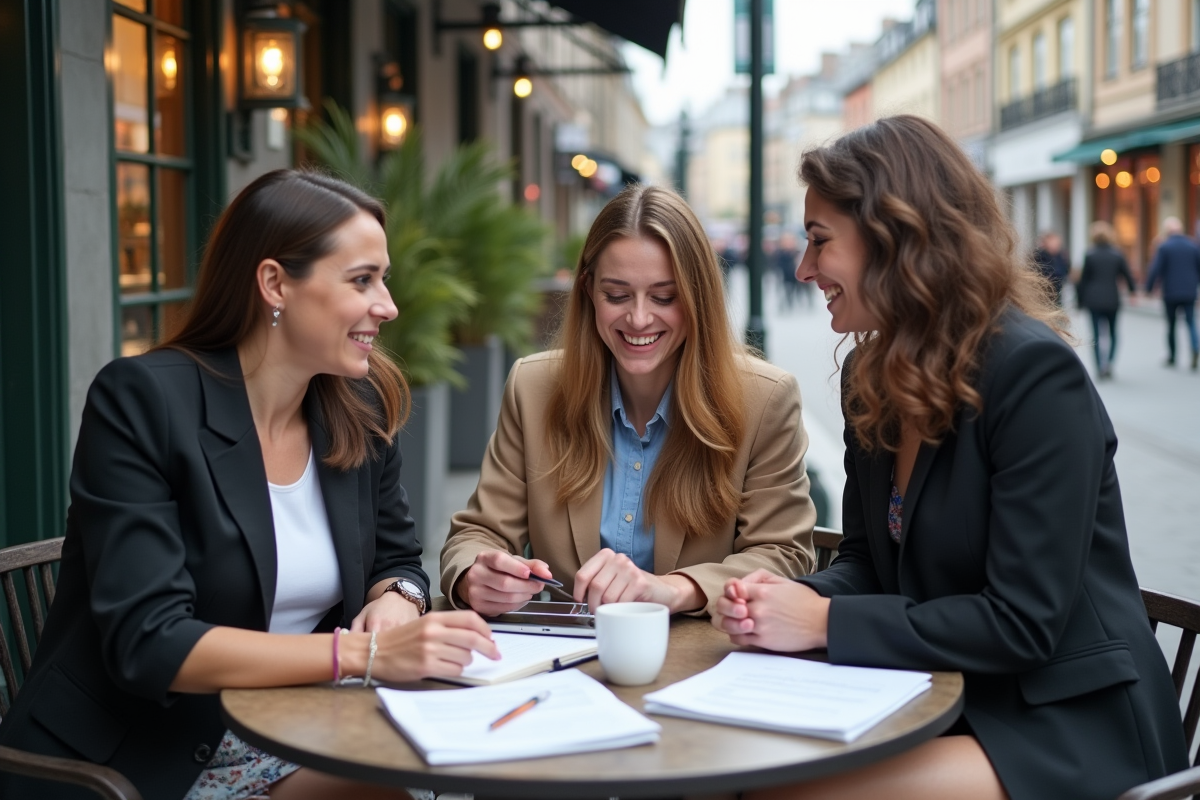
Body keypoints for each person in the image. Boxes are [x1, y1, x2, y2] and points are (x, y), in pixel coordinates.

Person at [712, 116, 1188, 800]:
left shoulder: (1031, 374)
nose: (803, 268)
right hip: (945, 694)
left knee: (774, 790)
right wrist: (785, 599)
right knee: (735, 766)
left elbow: (1022, 623)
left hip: (1066, 724)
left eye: (820, 242)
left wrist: (822, 623)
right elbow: (869, 563)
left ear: (893, 237)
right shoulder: (869, 378)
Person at [0, 170, 499, 800]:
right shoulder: (144, 401)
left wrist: (398, 599)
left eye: (384, 278)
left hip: (296, 726)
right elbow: (151, 642)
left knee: (442, 773)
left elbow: (399, 559)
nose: (389, 305)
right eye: (362, 280)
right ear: (274, 284)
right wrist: (363, 657)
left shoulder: (359, 404)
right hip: (137, 758)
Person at [441, 184, 817, 618]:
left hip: (702, 666)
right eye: (617, 295)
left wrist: (674, 590)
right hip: (566, 669)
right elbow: (477, 534)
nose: (638, 318)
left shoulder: (765, 399)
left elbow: (783, 556)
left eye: (664, 297)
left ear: (699, 297)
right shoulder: (534, 387)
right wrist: (476, 576)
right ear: (587, 291)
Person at [1078, 221, 1137, 379]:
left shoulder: (1090, 254)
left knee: (1096, 334)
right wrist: (1133, 291)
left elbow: (1084, 279)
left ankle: (1099, 366)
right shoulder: (1117, 254)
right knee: (1113, 333)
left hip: (1094, 299)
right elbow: (1126, 275)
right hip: (1112, 298)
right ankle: (1109, 363)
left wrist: (1080, 300)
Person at [1145, 216, 1200, 369]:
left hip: (1171, 292)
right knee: (1190, 322)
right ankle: (1195, 348)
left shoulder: (1164, 246)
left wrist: (1149, 289)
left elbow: (1156, 269)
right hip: (1189, 291)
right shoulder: (1193, 246)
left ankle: (1173, 355)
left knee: (1171, 324)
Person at [1032, 230, 1070, 305]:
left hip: (1058, 290)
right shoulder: (1039, 255)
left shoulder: (1061, 255)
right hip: (1044, 291)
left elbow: (1066, 269)